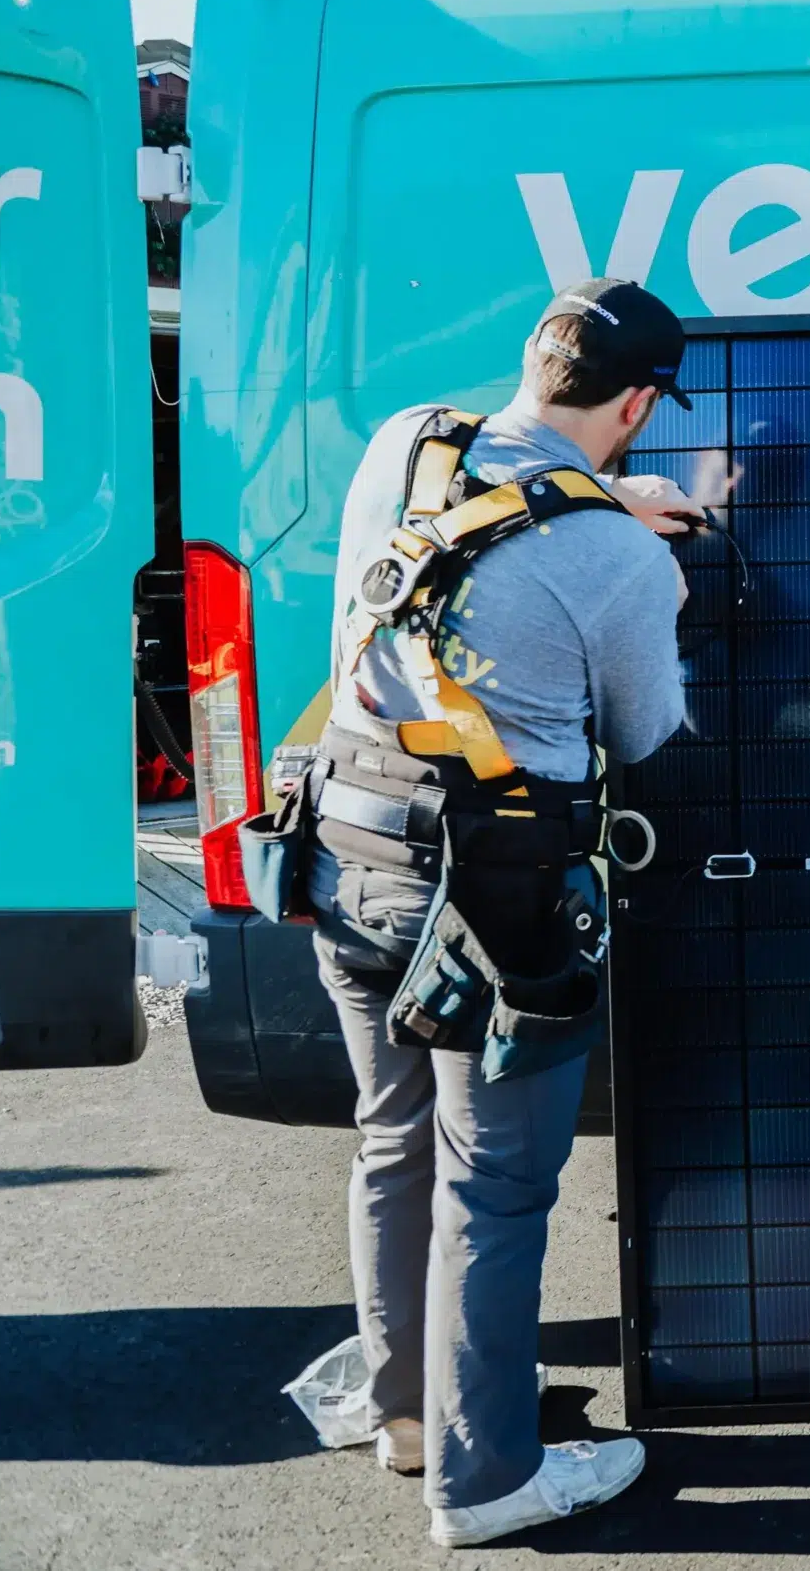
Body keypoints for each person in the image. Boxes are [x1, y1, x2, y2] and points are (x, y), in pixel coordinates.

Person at [304, 279, 698, 1548]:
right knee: (498, 1180)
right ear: (638, 403)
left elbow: (489, 524)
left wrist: (601, 509)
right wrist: (639, 551)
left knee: (393, 1137)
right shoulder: (619, 556)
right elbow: (644, 731)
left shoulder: (407, 440)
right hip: (487, 902)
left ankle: (409, 1409)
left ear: (536, 361)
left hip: (345, 852)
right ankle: (482, 1481)